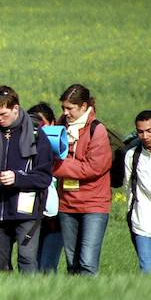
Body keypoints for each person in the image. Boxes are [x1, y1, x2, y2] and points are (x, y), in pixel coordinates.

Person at [0, 85, 53, 273]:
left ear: (16, 109)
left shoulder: (37, 136)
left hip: (26, 212)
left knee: (27, 260)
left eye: (3, 114)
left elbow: (44, 178)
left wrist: (17, 178)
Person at [52, 83, 112, 276]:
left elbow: (93, 168)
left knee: (87, 262)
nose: (65, 112)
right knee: (72, 263)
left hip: (94, 205)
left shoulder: (97, 130)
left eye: (70, 108)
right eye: (63, 108)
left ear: (84, 107)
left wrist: (58, 166)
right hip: (67, 204)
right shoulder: (61, 125)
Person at [124, 110, 151, 273]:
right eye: (140, 132)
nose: (145, 136)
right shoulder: (132, 156)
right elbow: (128, 188)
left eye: (149, 131)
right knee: (147, 274)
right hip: (143, 225)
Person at [28, 102, 64, 273]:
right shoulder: (24, 145)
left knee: (47, 266)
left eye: (42, 124)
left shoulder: (62, 144)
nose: (39, 129)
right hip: (31, 213)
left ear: (53, 123)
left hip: (55, 218)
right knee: (29, 261)